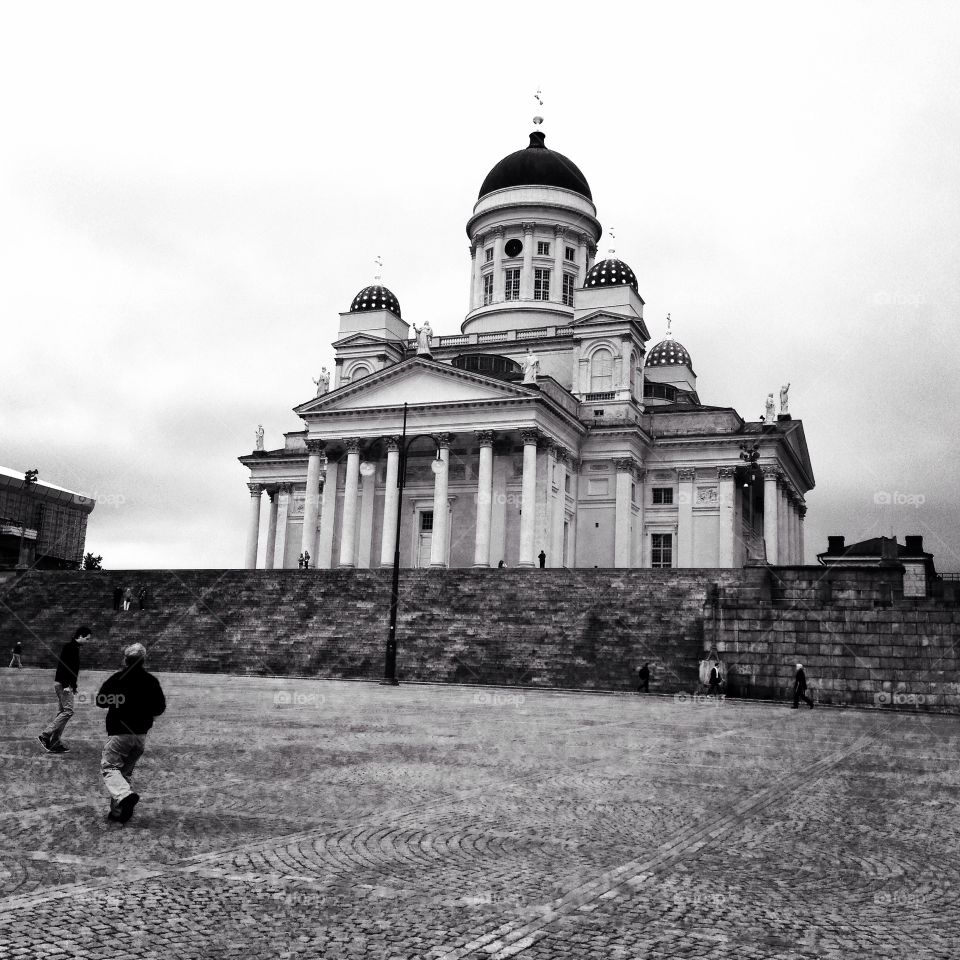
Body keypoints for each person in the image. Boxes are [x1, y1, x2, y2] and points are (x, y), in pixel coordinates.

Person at [97, 643, 166, 823]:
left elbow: (101, 701)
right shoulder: (151, 681)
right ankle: (118, 813)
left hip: (120, 733)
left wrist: (119, 701)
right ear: (143, 660)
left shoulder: (117, 679)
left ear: (125, 660)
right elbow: (159, 708)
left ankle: (125, 796)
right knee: (124, 773)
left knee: (110, 768)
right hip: (140, 736)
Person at [38, 625, 91, 753]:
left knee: (62, 711)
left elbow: (72, 669)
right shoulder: (70, 648)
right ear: (80, 636)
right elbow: (65, 667)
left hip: (64, 684)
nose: (88, 641)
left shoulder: (73, 648)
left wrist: (74, 686)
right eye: (87, 639)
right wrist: (67, 685)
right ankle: (45, 735)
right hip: (63, 684)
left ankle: (55, 743)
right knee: (68, 711)